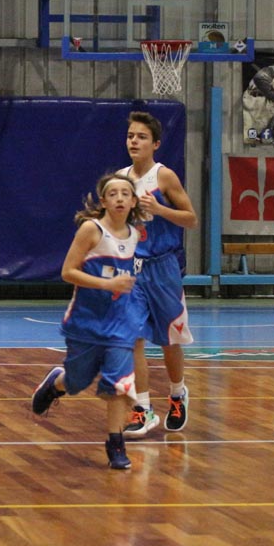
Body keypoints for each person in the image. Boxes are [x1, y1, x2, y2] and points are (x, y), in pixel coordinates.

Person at [32, 173, 142, 470]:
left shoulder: (134, 234)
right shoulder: (91, 230)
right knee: (77, 381)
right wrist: (107, 284)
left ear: (133, 201)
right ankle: (56, 383)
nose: (119, 198)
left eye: (125, 193)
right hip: (87, 320)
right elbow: (68, 272)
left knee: (118, 384)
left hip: (120, 323)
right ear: (103, 201)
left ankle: (116, 444)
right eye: (113, 194)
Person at [118, 112, 197, 438]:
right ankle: (143, 409)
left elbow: (190, 218)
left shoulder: (164, 177)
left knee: (169, 340)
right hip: (133, 268)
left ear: (156, 144)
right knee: (133, 338)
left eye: (141, 137)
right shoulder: (120, 179)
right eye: (130, 136)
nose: (134, 141)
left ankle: (177, 394)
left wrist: (161, 209)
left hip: (163, 267)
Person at [242, 61, 274, 145]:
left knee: (266, 128)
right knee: (247, 134)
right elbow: (259, 79)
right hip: (253, 100)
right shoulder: (272, 71)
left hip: (267, 105)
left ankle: (266, 138)